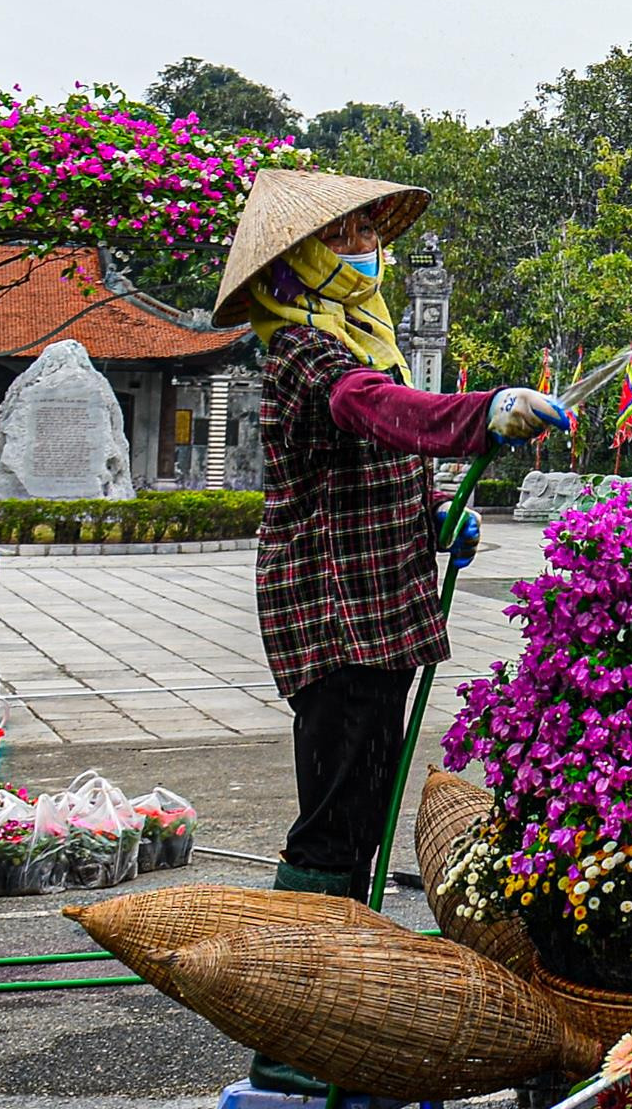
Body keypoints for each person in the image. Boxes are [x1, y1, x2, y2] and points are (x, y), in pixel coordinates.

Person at [211, 168, 568, 1094]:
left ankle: (337, 1021)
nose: (365, 249)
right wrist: (482, 412)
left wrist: (435, 517)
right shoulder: (304, 349)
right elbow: (373, 410)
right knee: (334, 827)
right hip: (333, 610)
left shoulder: (352, 336)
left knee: (361, 814)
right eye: (345, 237)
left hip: (379, 601)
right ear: (296, 264)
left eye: (369, 232)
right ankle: (295, 1050)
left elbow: (376, 447)